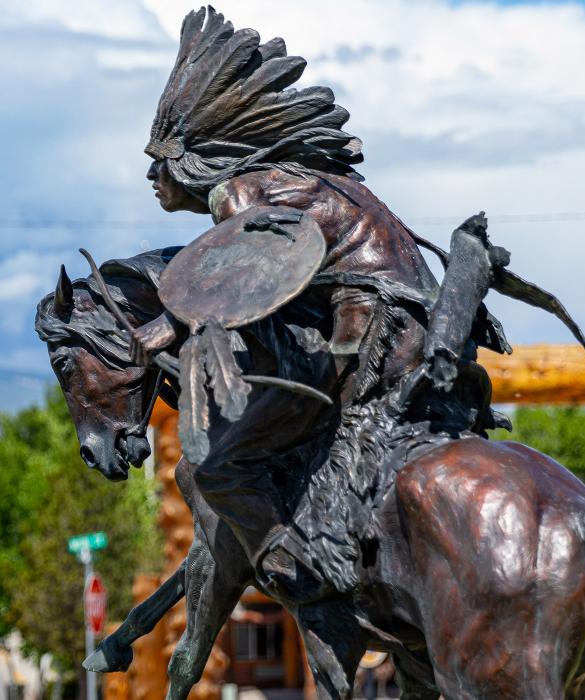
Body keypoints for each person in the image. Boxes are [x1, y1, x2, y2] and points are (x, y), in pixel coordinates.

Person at [130, 7, 508, 597]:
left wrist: (156, 333)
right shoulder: (297, 178)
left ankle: (299, 575)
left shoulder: (238, 193)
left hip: (372, 331)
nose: (152, 179)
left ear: (189, 158)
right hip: (417, 324)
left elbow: (236, 285)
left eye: (158, 163)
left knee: (222, 468)